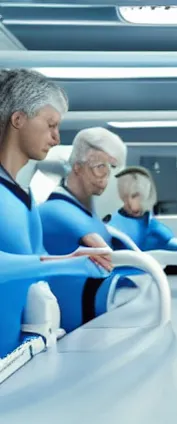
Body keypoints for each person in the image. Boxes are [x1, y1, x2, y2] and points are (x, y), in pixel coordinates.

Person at [0, 70, 108, 357]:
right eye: (50, 124)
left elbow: (36, 259)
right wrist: (68, 263)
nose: (56, 137)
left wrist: (78, 261)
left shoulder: (24, 196)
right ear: (18, 119)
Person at [39, 127, 134, 332]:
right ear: (77, 166)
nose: (105, 176)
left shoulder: (88, 214)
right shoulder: (55, 211)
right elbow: (110, 257)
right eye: (99, 166)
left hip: (98, 327)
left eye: (110, 167)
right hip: (73, 334)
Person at [107, 166, 177, 251]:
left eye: (136, 195)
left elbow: (170, 241)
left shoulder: (151, 224)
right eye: (130, 195)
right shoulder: (112, 225)